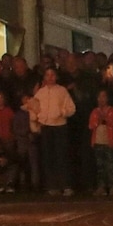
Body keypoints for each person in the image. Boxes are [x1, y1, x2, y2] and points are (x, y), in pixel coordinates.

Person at [33, 66, 76, 196]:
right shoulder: (40, 93)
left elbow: (71, 108)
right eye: (47, 75)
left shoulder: (62, 91)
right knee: (48, 157)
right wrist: (37, 121)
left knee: (61, 156)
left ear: (56, 77)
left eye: (52, 75)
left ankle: (66, 185)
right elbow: (33, 108)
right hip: (46, 127)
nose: (50, 77)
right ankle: (52, 185)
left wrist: (61, 113)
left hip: (60, 127)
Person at [89, 88, 113, 196]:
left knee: (110, 165)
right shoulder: (94, 111)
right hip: (98, 141)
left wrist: (105, 120)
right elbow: (91, 124)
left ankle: (112, 186)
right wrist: (99, 120)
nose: (102, 99)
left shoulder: (112, 110)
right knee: (100, 165)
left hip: (108, 141)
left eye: (104, 96)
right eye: (100, 97)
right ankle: (101, 186)